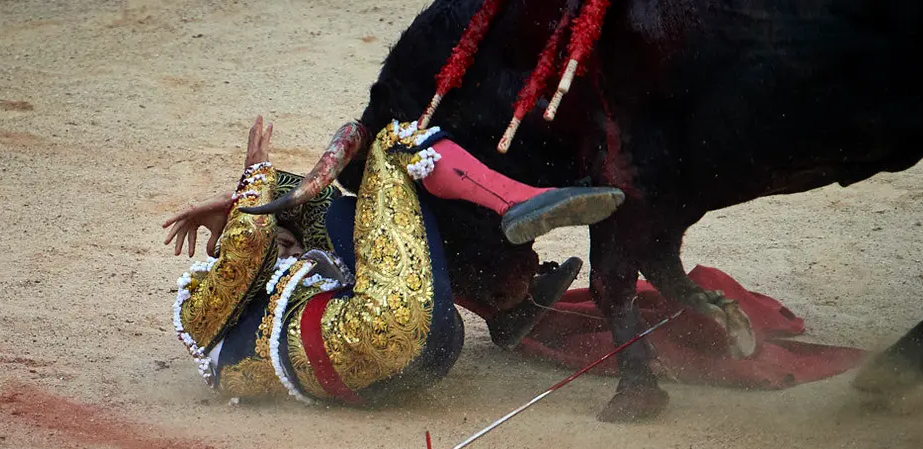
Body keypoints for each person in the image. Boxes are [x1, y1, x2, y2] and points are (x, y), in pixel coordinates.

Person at [163, 117, 624, 405]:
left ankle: (505, 303)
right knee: (393, 144)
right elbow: (245, 253)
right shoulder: (197, 306)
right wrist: (253, 176)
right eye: (278, 240)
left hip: (423, 360)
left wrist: (237, 201)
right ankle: (519, 201)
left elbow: (306, 199)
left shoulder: (272, 310)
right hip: (380, 327)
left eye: (287, 239)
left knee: (363, 218)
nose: (289, 247)